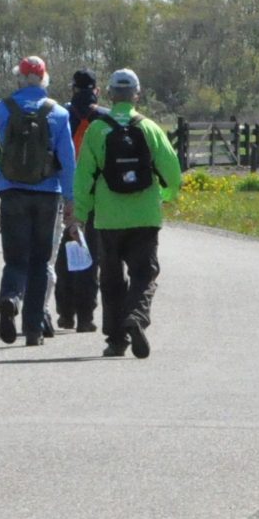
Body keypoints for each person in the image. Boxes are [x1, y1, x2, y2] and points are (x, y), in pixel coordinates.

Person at [73, 68, 183, 358]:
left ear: (109, 94)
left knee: (110, 278)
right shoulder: (149, 128)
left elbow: (83, 176)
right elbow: (172, 171)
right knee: (144, 274)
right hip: (145, 215)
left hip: (108, 217)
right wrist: (166, 194)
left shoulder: (97, 129)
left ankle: (116, 339)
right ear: (137, 94)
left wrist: (79, 215)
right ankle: (136, 316)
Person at [0, 55, 80, 348]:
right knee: (40, 261)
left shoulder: (1, 110)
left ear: (20, 76)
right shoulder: (58, 114)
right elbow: (67, 160)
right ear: (44, 78)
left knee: (15, 258)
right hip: (47, 193)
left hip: (12, 192)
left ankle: (9, 297)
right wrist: (71, 199)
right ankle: (32, 330)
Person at [53, 69, 104, 333]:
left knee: (65, 253)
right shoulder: (104, 117)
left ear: (73, 89)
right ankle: (87, 316)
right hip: (97, 195)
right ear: (96, 89)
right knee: (90, 254)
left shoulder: (61, 114)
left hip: (65, 193)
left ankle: (66, 313)